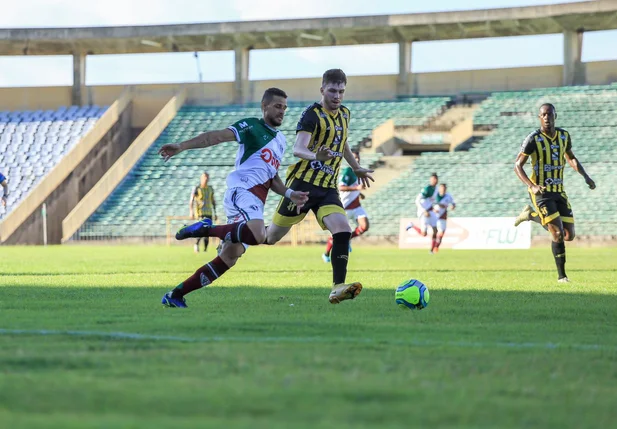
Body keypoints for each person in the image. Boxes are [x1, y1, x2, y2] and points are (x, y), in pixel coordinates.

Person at [158, 88, 309, 308]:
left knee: (230, 256)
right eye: (278, 106)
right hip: (242, 191)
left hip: (257, 200)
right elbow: (215, 136)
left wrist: (289, 193)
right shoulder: (251, 126)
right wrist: (182, 146)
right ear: (264, 106)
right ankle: (204, 229)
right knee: (259, 235)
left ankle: (175, 295)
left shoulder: (281, 141)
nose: (282, 111)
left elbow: (272, 177)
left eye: (284, 108)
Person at [265, 69, 374, 304]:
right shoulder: (311, 115)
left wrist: (355, 167)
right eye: (332, 90)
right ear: (322, 89)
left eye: (341, 91)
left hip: (327, 189)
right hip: (302, 187)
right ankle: (234, 235)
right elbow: (298, 148)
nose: (337, 96)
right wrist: (317, 156)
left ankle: (337, 287)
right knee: (270, 237)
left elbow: (342, 143)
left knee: (343, 230)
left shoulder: (345, 114)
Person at [513, 103, 595, 283]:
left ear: (555, 116)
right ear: (539, 117)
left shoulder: (564, 136)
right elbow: (517, 166)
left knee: (569, 235)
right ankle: (562, 277)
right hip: (541, 193)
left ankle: (532, 216)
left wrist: (586, 176)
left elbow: (571, 157)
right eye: (543, 115)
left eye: (549, 114)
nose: (546, 118)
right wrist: (532, 186)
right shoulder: (533, 139)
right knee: (557, 234)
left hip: (559, 192)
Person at [322, 150, 369, 263]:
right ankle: (326, 254)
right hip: (345, 207)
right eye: (354, 158)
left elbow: (354, 188)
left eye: (358, 158)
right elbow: (341, 187)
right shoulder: (347, 171)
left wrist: (359, 193)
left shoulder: (357, 172)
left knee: (365, 226)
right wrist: (357, 189)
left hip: (356, 206)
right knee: (338, 235)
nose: (356, 160)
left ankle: (348, 239)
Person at [406, 173, 439, 253]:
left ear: (437, 180)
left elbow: (430, 202)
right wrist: (424, 211)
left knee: (435, 230)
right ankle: (412, 225)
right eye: (432, 179)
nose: (433, 181)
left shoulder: (436, 189)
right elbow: (417, 200)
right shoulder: (427, 189)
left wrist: (433, 208)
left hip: (430, 211)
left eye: (435, 179)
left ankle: (432, 250)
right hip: (423, 212)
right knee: (424, 234)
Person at [189, 172, 217, 253]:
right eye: (205, 177)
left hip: (209, 212)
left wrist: (215, 213)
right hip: (200, 212)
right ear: (201, 178)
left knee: (207, 231)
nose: (206, 179)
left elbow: (213, 201)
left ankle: (205, 250)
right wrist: (191, 212)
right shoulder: (197, 188)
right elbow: (191, 200)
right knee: (202, 230)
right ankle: (196, 244)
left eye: (207, 177)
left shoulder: (210, 189)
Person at [431, 183, 456, 253]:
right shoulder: (435, 195)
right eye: (441, 188)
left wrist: (453, 206)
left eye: (444, 188)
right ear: (439, 188)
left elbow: (453, 203)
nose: (443, 189)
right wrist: (433, 209)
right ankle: (432, 248)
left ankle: (435, 247)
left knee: (441, 233)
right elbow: (429, 204)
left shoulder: (448, 196)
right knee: (434, 232)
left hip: (442, 216)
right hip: (435, 216)